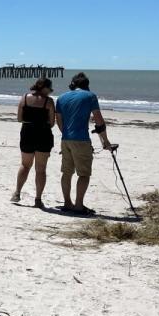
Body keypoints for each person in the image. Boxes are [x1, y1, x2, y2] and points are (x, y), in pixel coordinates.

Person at [55, 72, 113, 215]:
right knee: (84, 174)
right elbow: (99, 121)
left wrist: (66, 134)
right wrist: (105, 141)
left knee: (66, 172)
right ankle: (79, 205)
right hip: (81, 139)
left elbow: (58, 120)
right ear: (87, 85)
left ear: (73, 84)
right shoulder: (90, 96)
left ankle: (67, 203)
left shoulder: (61, 98)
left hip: (65, 139)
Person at [11, 77, 55, 208]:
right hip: (43, 134)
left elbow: (19, 119)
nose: (50, 92)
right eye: (49, 89)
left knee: (25, 165)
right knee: (41, 169)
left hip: (27, 133)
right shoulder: (49, 101)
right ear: (44, 87)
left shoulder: (24, 98)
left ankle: (17, 193)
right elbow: (52, 123)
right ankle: (38, 199)